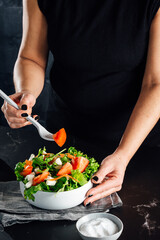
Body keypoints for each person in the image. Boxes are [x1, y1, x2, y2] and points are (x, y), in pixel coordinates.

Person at [1, 0, 160, 206]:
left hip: (138, 143)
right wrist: (26, 93)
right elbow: (30, 57)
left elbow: (156, 83)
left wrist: (123, 155)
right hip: (66, 135)